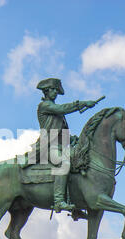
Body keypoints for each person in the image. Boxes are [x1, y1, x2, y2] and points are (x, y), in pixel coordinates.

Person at [35, 78, 99, 212]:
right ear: (47, 91)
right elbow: (62, 108)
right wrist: (82, 103)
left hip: (60, 146)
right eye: (53, 90)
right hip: (48, 147)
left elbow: (58, 131)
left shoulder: (56, 112)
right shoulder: (45, 106)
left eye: (56, 91)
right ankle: (59, 201)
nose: (55, 93)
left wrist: (71, 139)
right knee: (64, 163)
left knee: (79, 162)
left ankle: (76, 202)